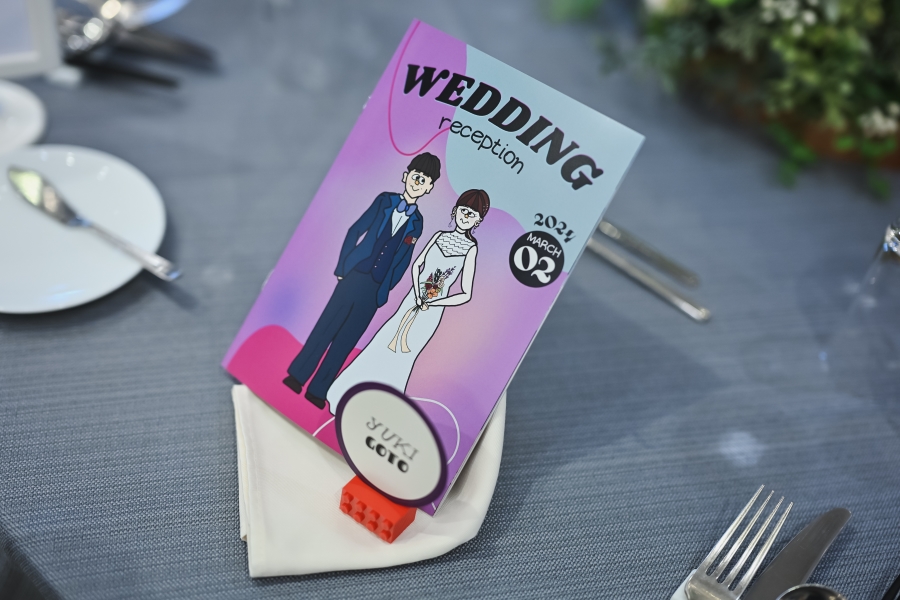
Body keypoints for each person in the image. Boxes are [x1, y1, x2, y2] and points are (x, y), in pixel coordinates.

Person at [283, 152, 442, 409]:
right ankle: (298, 375)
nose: (418, 182)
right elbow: (356, 229)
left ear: (429, 188)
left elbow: (404, 259)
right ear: (406, 176)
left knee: (347, 339)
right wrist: (343, 266)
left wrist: (385, 289)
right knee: (327, 325)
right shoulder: (384, 200)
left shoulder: (417, 222)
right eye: (416, 176)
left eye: (424, 180)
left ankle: (318, 390)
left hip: (375, 288)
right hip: (355, 273)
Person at [326, 189, 491, 413]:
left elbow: (466, 293)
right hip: (412, 299)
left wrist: (434, 302)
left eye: (472, 214)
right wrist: (418, 290)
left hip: (431, 311)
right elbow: (417, 264)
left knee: (405, 356)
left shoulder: (470, 249)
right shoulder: (439, 236)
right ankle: (345, 394)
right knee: (383, 342)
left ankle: (379, 409)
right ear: (455, 210)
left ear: (478, 220)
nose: (466, 217)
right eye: (463, 211)